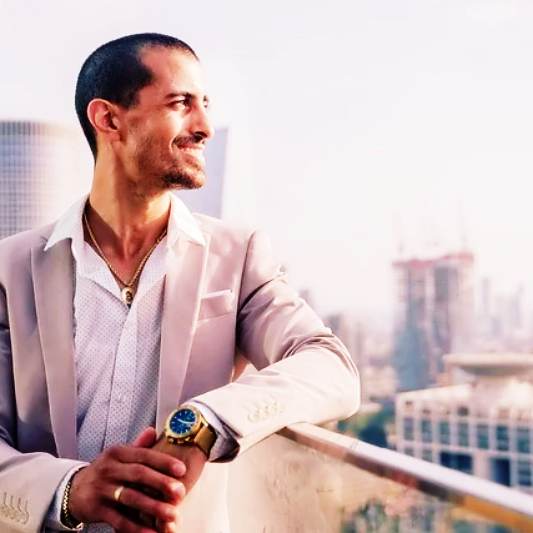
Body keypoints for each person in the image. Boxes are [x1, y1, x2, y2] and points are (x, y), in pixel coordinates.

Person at [0, 33, 360, 533]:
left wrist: (206, 422)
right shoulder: (11, 267)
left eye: (205, 104)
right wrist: (68, 490)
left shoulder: (238, 256)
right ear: (109, 120)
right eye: (180, 103)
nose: (205, 126)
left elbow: (331, 367)